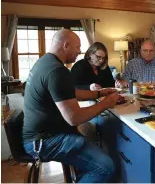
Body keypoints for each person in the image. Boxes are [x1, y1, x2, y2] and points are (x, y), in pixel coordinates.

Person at [22, 29, 119, 183]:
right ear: (66, 45)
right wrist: (106, 103)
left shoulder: (45, 62)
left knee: (89, 135)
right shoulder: (57, 71)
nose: (80, 51)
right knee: (106, 168)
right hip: (45, 142)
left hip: (39, 136)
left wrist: (99, 94)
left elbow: (69, 93)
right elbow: (74, 118)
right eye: (77, 47)